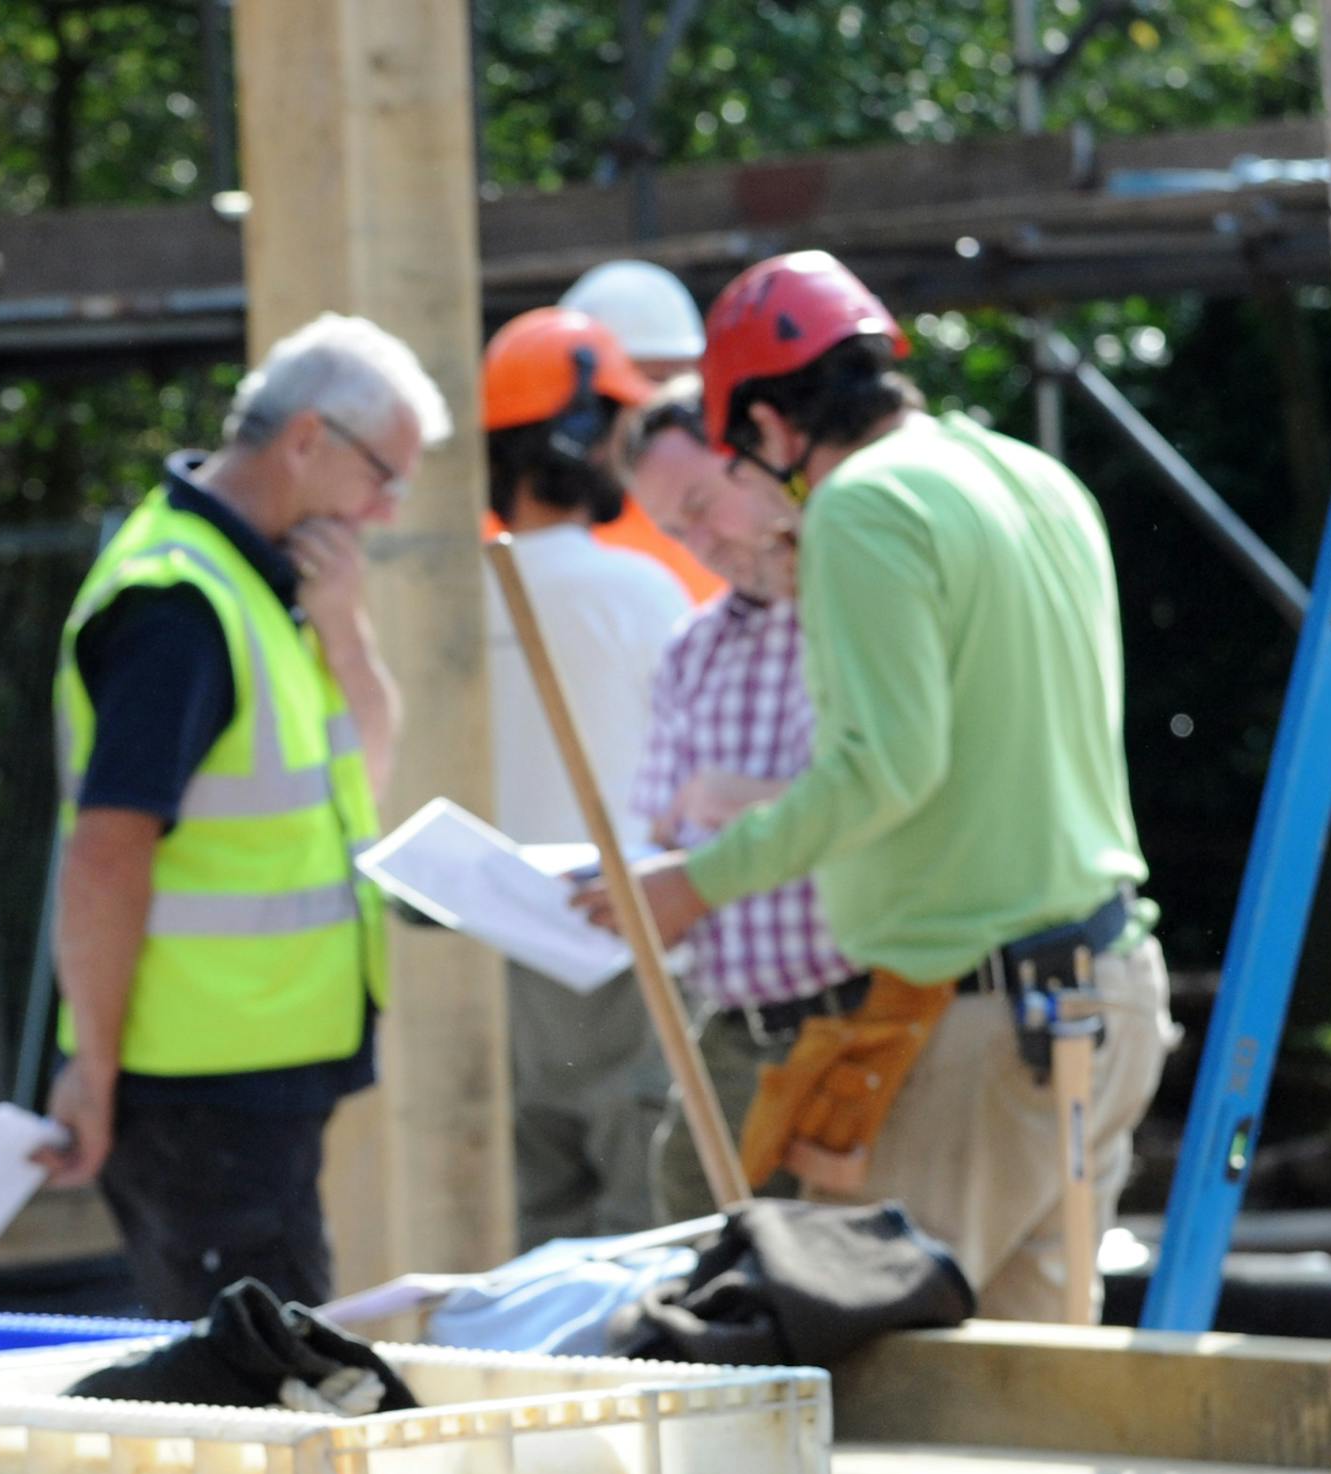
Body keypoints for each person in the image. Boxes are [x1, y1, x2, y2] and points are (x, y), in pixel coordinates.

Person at [598, 253, 1176, 1310]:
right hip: (1101, 995)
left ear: (773, 425)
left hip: (983, 1027)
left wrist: (699, 882)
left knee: (883, 1372)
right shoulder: (1027, 476)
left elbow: (883, 769)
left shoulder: (862, 505)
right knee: (1036, 1390)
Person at [32, 312, 449, 1316]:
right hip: (197, 1089)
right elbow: (106, 854)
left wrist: (347, 631)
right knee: (264, 1400)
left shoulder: (264, 583)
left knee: (267, 1380)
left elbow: (366, 774)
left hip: (249, 1080)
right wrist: (91, 1069)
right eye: (382, 476)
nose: (386, 510)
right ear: (307, 439)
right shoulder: (178, 606)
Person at [479, 305, 702, 1245]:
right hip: (631, 943)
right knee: (642, 1238)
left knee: (538, 1232)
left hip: (504, 946)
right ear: (577, 438)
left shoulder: (446, 597)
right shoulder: (644, 593)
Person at [615, 397, 855, 1224]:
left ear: (754, 463)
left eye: (701, 509)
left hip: (863, 1009)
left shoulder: (861, 601)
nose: (701, 544)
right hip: (735, 1030)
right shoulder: (695, 645)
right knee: (695, 1238)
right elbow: (661, 826)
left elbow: (894, 795)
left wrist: (738, 805)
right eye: (675, 532)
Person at [557, 259, 724, 605]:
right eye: (646, 384)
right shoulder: (531, 527)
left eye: (680, 384)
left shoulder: (740, 504)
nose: (663, 408)